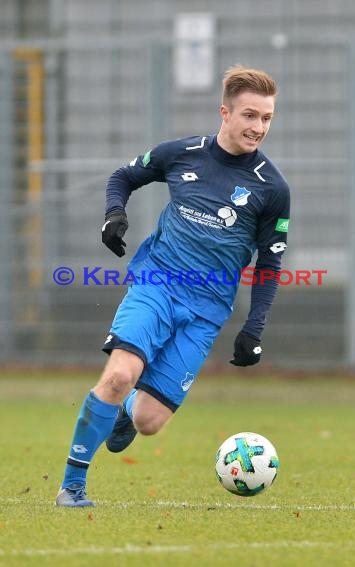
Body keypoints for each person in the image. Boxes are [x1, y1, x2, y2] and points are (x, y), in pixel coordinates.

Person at [56, 65, 290, 507]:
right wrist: (114, 214)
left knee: (148, 420)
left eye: (266, 118)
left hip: (207, 311)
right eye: (249, 115)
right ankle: (72, 486)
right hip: (156, 285)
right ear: (225, 112)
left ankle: (126, 412)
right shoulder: (185, 153)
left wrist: (254, 327)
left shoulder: (272, 187)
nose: (258, 127)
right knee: (120, 374)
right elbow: (123, 177)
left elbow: (270, 264)